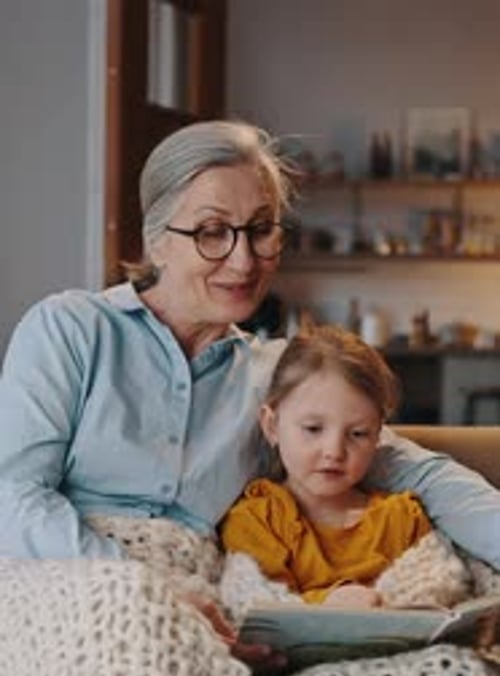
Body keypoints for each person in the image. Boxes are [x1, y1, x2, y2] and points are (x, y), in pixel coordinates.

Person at [0, 118, 499, 626]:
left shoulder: (277, 375)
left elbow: (414, 471)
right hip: (66, 583)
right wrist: (145, 592)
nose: (243, 262)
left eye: (261, 230)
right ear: (157, 241)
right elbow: (13, 496)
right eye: (212, 232)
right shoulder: (70, 328)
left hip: (206, 600)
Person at [221, 323, 432, 607]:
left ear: (377, 436)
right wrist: (328, 603)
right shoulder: (257, 519)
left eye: (358, 434)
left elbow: (436, 587)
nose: (334, 452)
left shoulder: (402, 519)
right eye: (313, 428)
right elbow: (257, 606)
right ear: (272, 426)